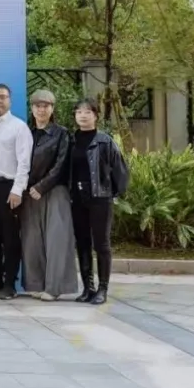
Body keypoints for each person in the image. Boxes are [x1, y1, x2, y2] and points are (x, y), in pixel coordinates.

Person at [70, 97, 129, 305]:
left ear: (96, 116)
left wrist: (113, 193)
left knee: (101, 244)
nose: (83, 116)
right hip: (77, 198)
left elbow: (120, 170)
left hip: (100, 198)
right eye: (79, 112)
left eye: (88, 112)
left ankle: (103, 289)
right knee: (82, 242)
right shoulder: (70, 140)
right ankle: (88, 288)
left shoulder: (105, 141)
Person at [0, 83, 33, 300]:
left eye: (2, 97)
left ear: (10, 100)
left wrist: (18, 189)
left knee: (9, 237)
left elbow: (24, 162)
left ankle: (10, 283)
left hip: (7, 187)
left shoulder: (19, 127)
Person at [23, 89, 76, 302]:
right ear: (32, 108)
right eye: (37, 105)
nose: (41, 109)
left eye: (46, 106)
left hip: (54, 191)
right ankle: (35, 284)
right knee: (32, 240)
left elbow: (61, 164)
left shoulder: (62, 134)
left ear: (52, 109)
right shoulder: (26, 133)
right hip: (29, 192)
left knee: (56, 240)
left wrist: (42, 186)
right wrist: (27, 187)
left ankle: (55, 287)